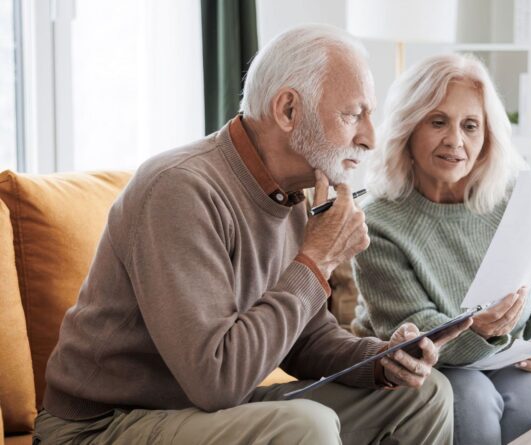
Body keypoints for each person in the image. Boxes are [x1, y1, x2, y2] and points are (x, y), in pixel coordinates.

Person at [34, 25, 471, 445]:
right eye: (353, 114)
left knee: (425, 395)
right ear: (287, 110)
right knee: (305, 426)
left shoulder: (296, 194)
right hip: (104, 425)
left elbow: (306, 339)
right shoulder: (180, 188)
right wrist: (317, 260)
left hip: (203, 412)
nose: (370, 138)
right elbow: (216, 380)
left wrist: (380, 362)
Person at [351, 53, 531, 445]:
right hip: (422, 369)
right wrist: (477, 331)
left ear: (487, 136)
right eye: (438, 121)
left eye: (471, 125)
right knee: (471, 399)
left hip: (507, 359)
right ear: (408, 129)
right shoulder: (377, 220)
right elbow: (413, 331)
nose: (455, 141)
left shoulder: (515, 199)